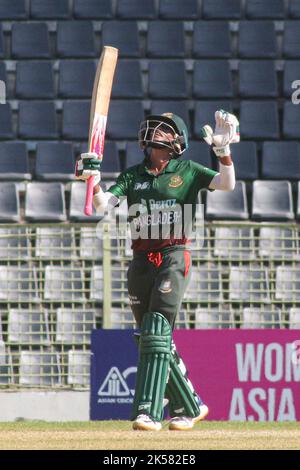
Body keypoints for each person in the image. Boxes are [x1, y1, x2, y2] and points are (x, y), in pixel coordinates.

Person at [76, 110, 240, 431]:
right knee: (148, 337)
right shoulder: (133, 174)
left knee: (155, 328)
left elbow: (227, 184)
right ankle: (188, 405)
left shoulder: (187, 170)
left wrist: (223, 152)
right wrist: (92, 181)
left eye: (165, 130)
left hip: (174, 253)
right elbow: (101, 206)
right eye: (156, 128)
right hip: (140, 260)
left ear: (177, 141)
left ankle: (148, 411)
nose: (156, 132)